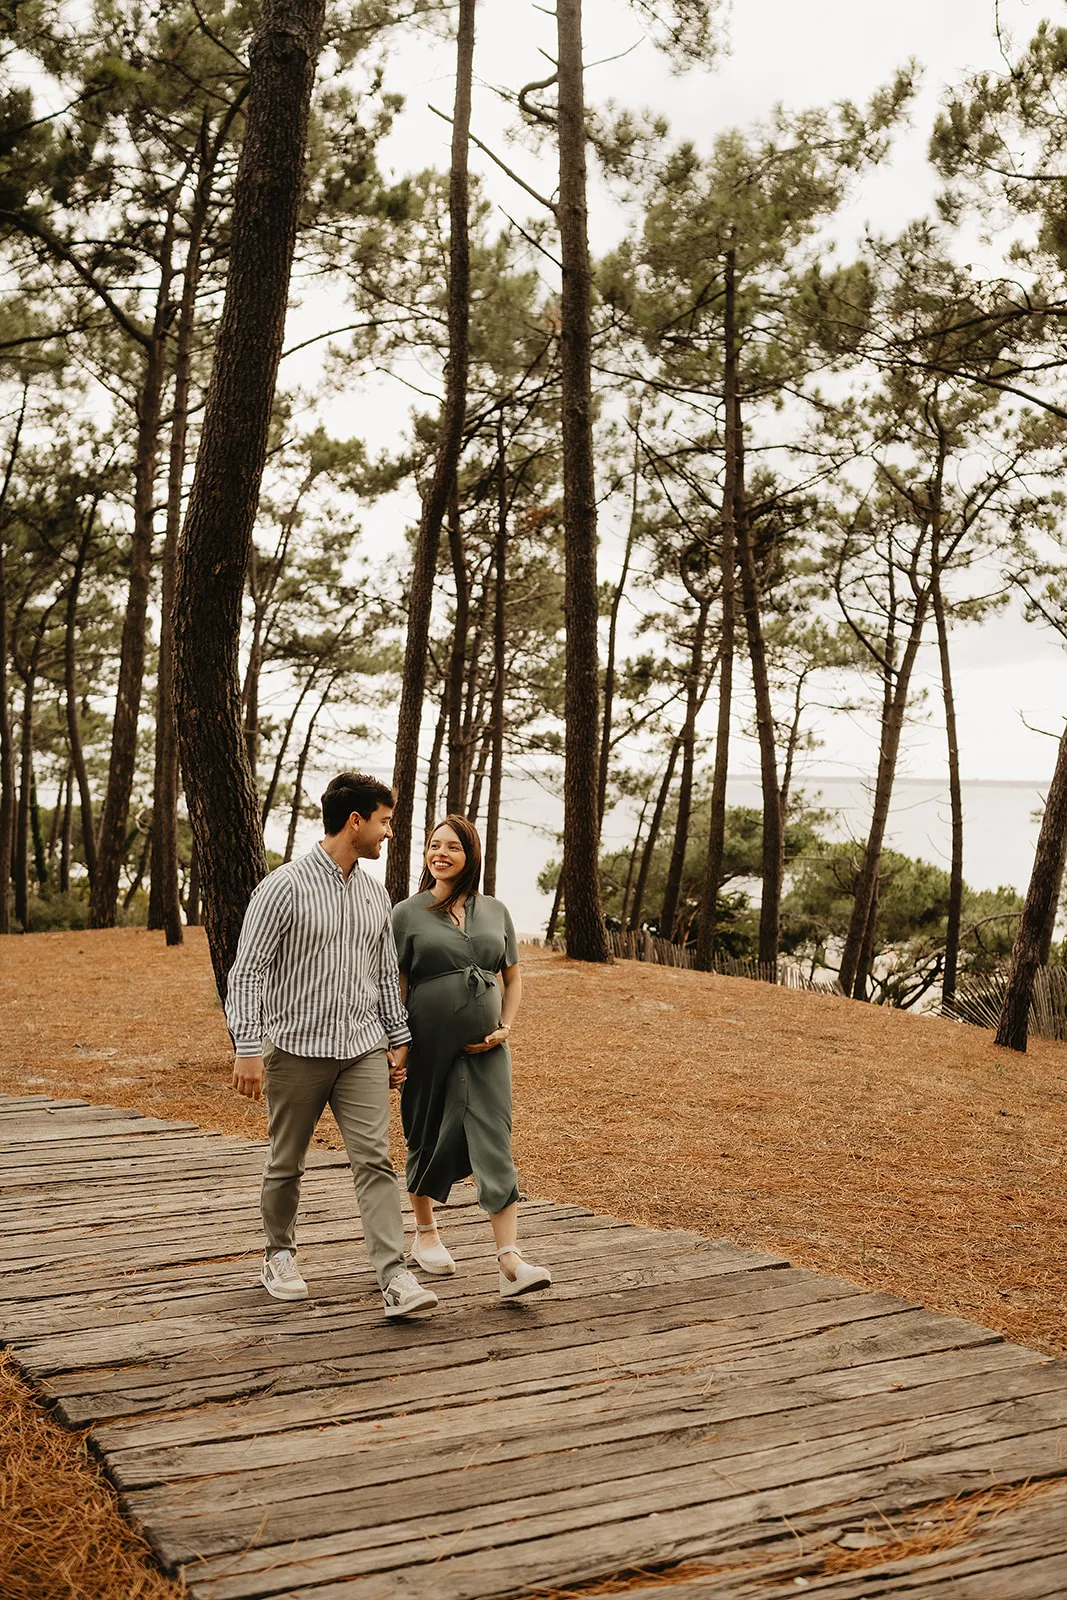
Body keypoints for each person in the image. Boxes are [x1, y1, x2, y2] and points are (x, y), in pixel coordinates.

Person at [226, 771, 438, 1320]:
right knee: (286, 1161)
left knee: (375, 1160)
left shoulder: (374, 892)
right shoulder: (283, 886)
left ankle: (394, 1276)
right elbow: (247, 972)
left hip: (362, 1048)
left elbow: (382, 972)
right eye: (385, 822)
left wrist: (397, 1039)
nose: (389, 834)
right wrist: (248, 1046)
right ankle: (278, 1254)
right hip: (297, 1048)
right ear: (356, 821)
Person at [391, 813, 551, 1299]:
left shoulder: (496, 911)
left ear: (470, 856)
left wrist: (505, 1026)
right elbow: (395, 986)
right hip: (426, 1046)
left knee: (494, 1141)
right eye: (433, 845)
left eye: (452, 847)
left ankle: (510, 1261)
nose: (440, 853)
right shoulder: (406, 914)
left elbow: (513, 977)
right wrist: (395, 1048)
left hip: (486, 1053)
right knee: (426, 1128)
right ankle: (426, 1233)